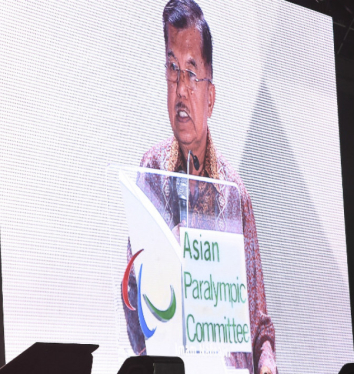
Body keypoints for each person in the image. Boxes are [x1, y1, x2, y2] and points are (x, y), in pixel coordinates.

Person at [123, 1, 277, 373]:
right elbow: (133, 305)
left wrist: (268, 360)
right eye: (172, 69)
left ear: (211, 94)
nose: (180, 88)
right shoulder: (152, 174)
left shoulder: (234, 194)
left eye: (191, 73)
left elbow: (259, 327)